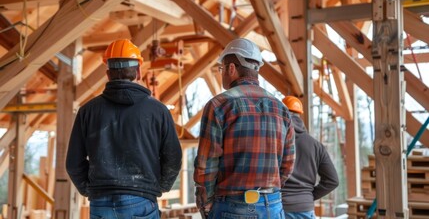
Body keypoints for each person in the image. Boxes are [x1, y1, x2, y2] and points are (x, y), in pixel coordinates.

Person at [66, 39, 182, 219]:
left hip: (100, 202)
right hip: (141, 200)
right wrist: (158, 187)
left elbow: (73, 163)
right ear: (138, 71)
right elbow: (173, 158)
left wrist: (90, 189)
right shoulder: (158, 111)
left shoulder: (87, 111)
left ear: (108, 74)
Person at [194, 38, 295, 219]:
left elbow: (206, 164)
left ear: (231, 68)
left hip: (232, 206)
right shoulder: (281, 109)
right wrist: (268, 190)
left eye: (221, 69)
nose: (222, 73)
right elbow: (287, 165)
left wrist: (205, 202)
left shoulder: (219, 105)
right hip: (271, 205)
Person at [281, 96, 339, 219]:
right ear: (300, 116)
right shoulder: (316, 145)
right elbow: (333, 180)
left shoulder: (275, 142)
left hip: (280, 207)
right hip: (305, 209)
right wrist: (307, 196)